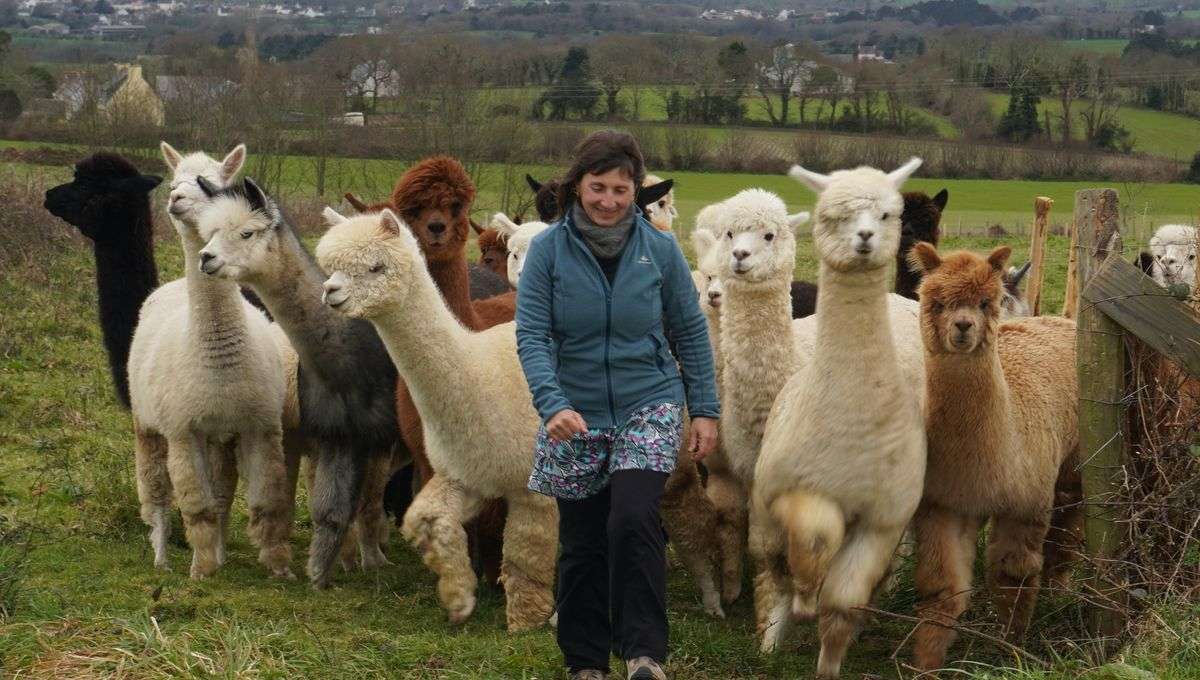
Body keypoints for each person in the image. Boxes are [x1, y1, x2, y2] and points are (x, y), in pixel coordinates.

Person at [514, 130, 719, 680]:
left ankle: (644, 653)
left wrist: (704, 408)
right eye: (598, 187)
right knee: (582, 538)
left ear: (637, 192)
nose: (608, 201)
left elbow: (690, 331)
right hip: (572, 410)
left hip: (647, 402)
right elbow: (532, 335)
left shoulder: (661, 251)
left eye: (621, 190)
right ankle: (586, 661)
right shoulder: (548, 252)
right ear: (577, 186)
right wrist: (552, 403)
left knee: (632, 518)